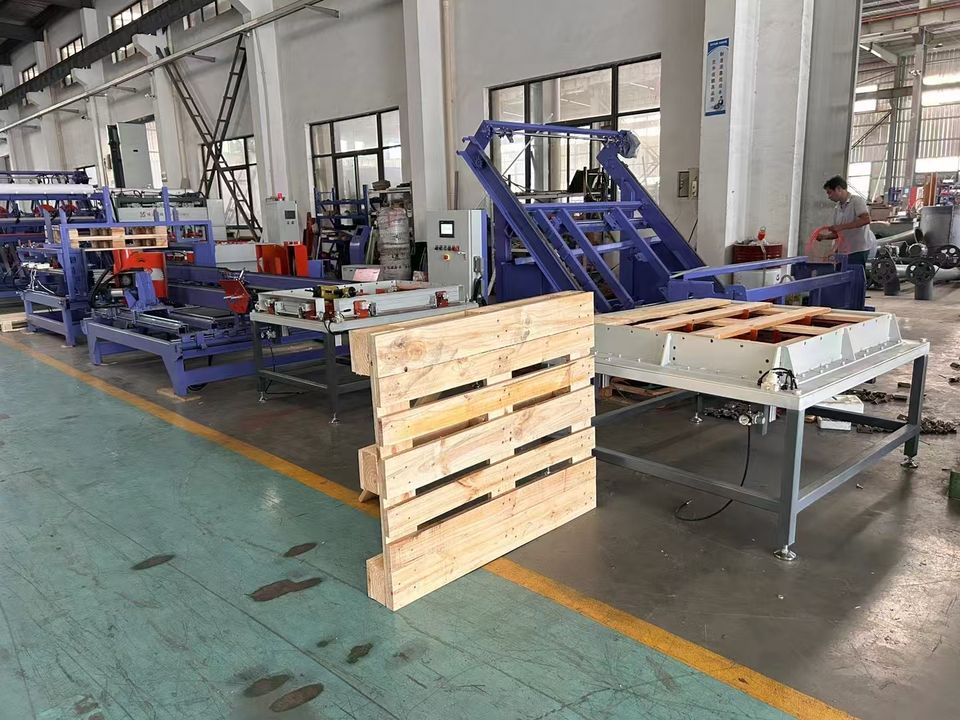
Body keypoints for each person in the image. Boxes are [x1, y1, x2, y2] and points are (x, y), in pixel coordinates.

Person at [822, 176, 874, 266]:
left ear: (839, 189)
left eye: (830, 193)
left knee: (854, 273)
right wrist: (824, 237)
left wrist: (840, 227)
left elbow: (866, 219)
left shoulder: (857, 201)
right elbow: (838, 233)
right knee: (841, 273)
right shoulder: (837, 208)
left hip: (857, 250)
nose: (829, 197)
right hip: (843, 251)